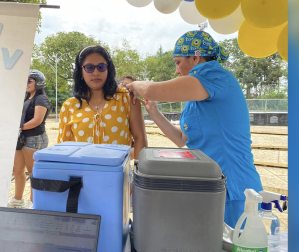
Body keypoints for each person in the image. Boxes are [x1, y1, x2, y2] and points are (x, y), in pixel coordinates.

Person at [124, 30, 263, 228]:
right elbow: (181, 139)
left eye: (178, 62)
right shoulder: (198, 94)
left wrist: (132, 84)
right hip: (210, 184)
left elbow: (151, 89)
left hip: (233, 188)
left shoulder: (216, 77)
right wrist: (153, 111)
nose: (176, 70)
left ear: (196, 57)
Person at [57, 46, 147, 208]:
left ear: (108, 69)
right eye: (89, 68)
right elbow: (65, 149)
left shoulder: (126, 99)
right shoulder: (70, 106)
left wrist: (137, 179)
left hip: (119, 180)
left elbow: (140, 138)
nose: (96, 72)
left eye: (101, 66)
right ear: (81, 71)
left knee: (116, 228)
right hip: (82, 182)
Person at [8, 70, 50, 209]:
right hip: (22, 138)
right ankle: (18, 199)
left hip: (35, 138)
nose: (26, 84)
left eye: (29, 81)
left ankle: (33, 202)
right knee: (17, 169)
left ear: (38, 83)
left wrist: (18, 128)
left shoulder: (41, 99)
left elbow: (37, 121)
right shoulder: (27, 98)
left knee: (33, 172)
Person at [118, 75, 137, 160]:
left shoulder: (132, 106)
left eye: (132, 87)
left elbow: (139, 137)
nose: (128, 89)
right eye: (125, 85)